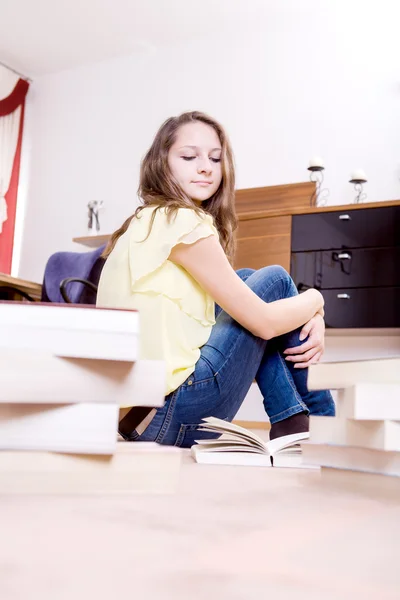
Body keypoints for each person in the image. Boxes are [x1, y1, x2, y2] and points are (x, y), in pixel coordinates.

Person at [97, 111, 335, 448]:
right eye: (189, 156)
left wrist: (314, 316)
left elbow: (253, 311)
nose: (206, 167)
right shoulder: (180, 221)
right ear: (161, 163)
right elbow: (265, 323)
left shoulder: (145, 222)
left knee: (249, 280)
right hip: (168, 415)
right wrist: (317, 301)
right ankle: (324, 422)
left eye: (215, 158)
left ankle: (293, 419)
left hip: (137, 419)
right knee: (276, 281)